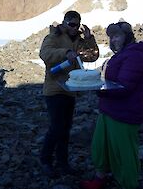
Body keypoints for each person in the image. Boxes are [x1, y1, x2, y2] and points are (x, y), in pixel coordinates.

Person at [80, 21, 143, 189]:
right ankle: (100, 178)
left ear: (127, 37)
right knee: (101, 145)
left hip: (125, 113)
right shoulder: (121, 55)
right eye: (111, 37)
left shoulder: (134, 56)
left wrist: (98, 88)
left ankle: (128, 184)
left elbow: (124, 87)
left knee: (124, 152)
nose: (113, 40)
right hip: (108, 109)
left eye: (117, 36)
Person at [39, 10, 99, 178]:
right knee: (57, 127)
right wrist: (65, 53)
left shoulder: (79, 40)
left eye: (77, 25)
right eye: (71, 24)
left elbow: (91, 57)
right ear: (64, 23)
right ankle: (45, 160)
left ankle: (63, 163)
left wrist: (89, 40)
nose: (74, 28)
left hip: (71, 90)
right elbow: (45, 53)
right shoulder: (53, 37)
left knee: (65, 129)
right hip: (54, 88)